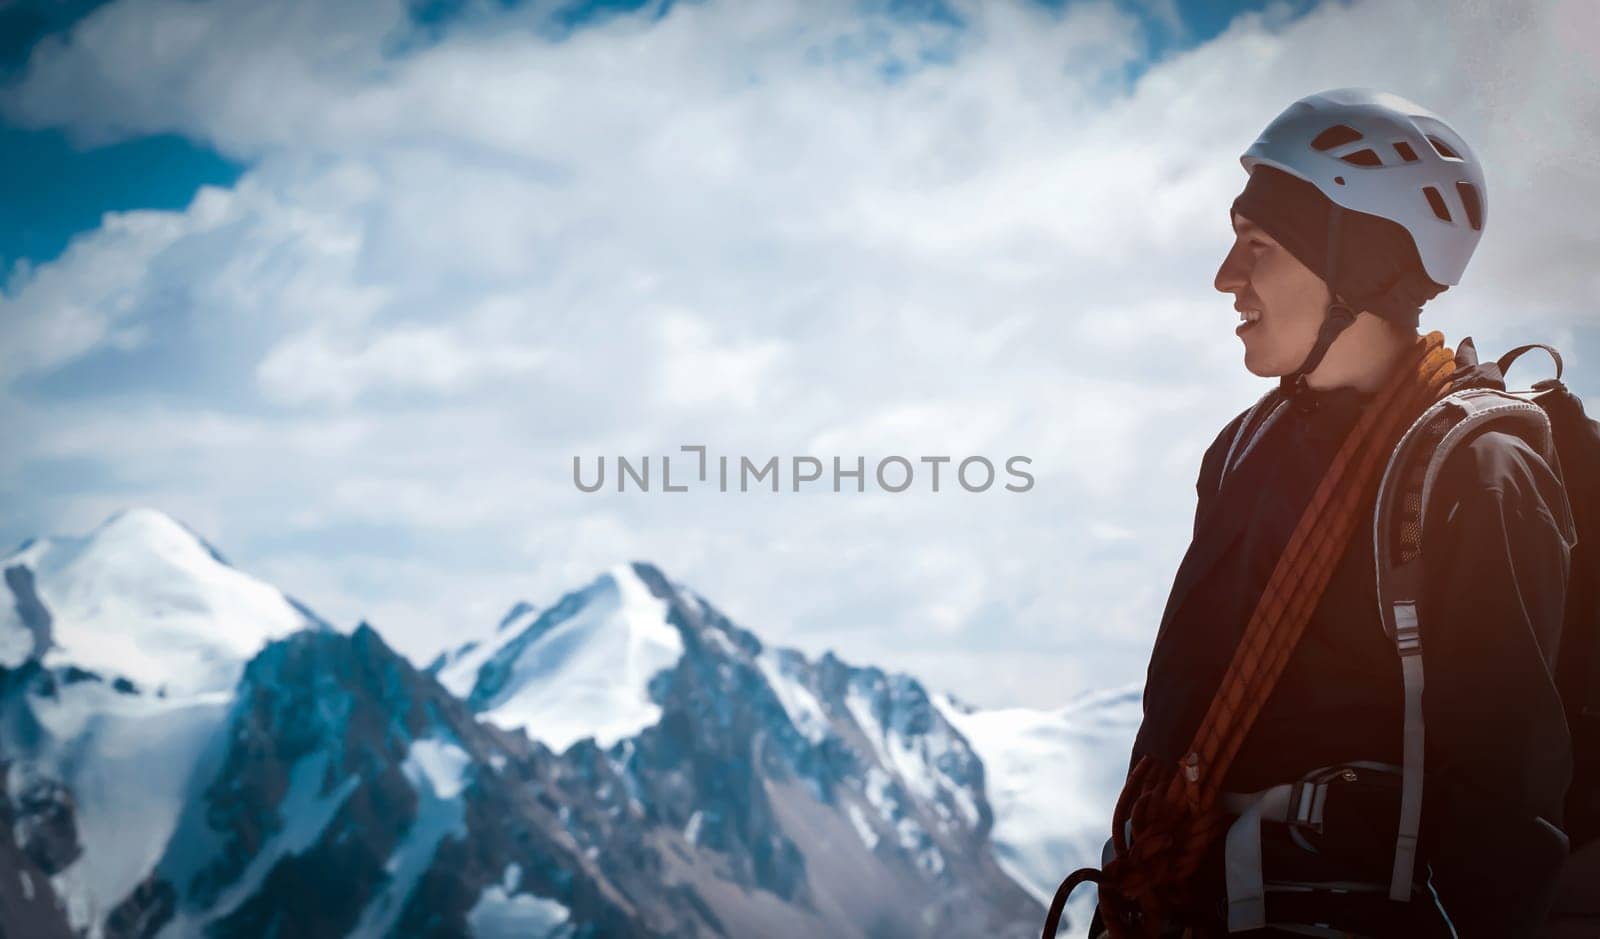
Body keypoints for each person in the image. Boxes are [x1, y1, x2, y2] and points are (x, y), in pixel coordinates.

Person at [1088, 89, 1576, 937]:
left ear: (1356, 266)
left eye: (1259, 246)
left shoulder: (1476, 472)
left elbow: (1508, 802)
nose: (1225, 278)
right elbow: (1177, 719)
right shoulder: (1244, 451)